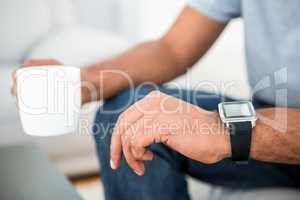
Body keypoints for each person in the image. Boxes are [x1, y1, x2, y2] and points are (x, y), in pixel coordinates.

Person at [12, 1, 300, 199]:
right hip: (269, 118)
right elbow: (172, 49)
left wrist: (225, 130)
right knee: (130, 113)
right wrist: (79, 84)